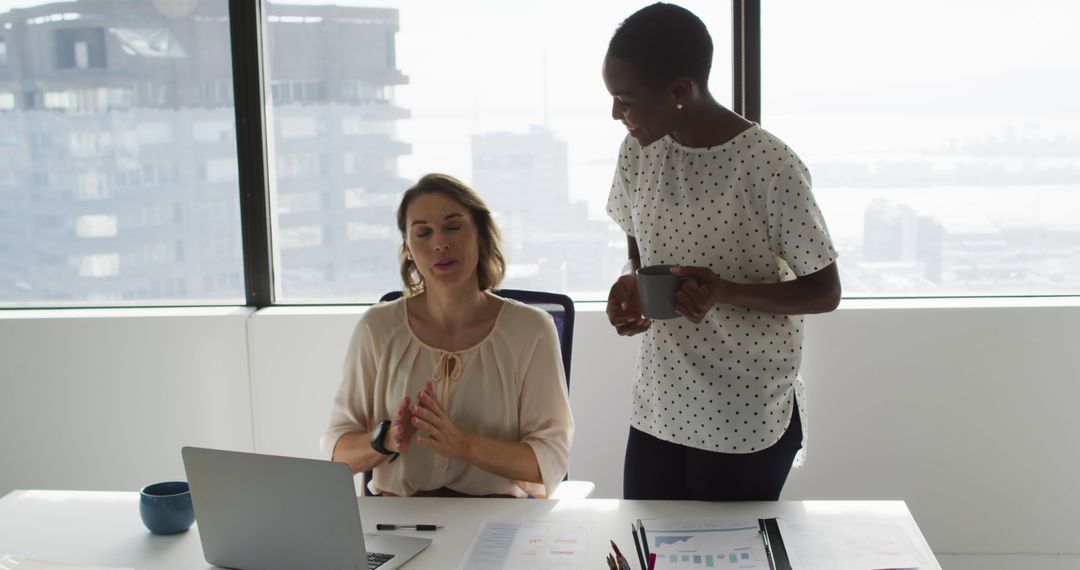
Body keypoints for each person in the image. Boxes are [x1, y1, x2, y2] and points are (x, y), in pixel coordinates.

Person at [603, 3, 841, 501]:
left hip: (744, 411)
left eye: (626, 101)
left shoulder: (770, 166)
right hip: (660, 403)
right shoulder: (639, 151)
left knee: (729, 555)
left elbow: (825, 291)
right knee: (646, 546)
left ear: (680, 91)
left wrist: (724, 292)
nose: (615, 114)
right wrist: (630, 285)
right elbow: (638, 250)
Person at [319, 173, 573, 498]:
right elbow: (335, 452)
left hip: (497, 520)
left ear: (481, 235)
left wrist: (466, 445)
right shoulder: (376, 327)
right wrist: (383, 441)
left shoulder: (532, 329)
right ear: (408, 249)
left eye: (453, 227)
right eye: (423, 233)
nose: (439, 243)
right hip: (401, 519)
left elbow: (551, 460)